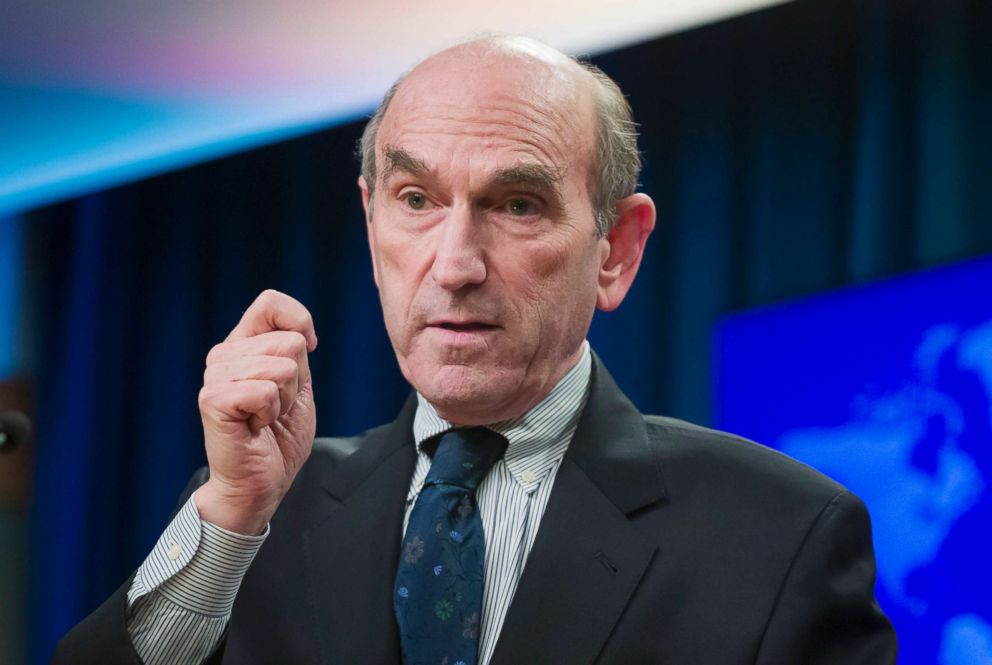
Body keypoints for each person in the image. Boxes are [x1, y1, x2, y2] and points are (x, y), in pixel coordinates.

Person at [54, 36, 897, 664]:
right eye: (416, 198)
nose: (453, 265)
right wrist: (230, 516)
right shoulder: (257, 515)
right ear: (370, 218)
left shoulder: (782, 535)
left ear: (616, 249)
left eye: (519, 204)